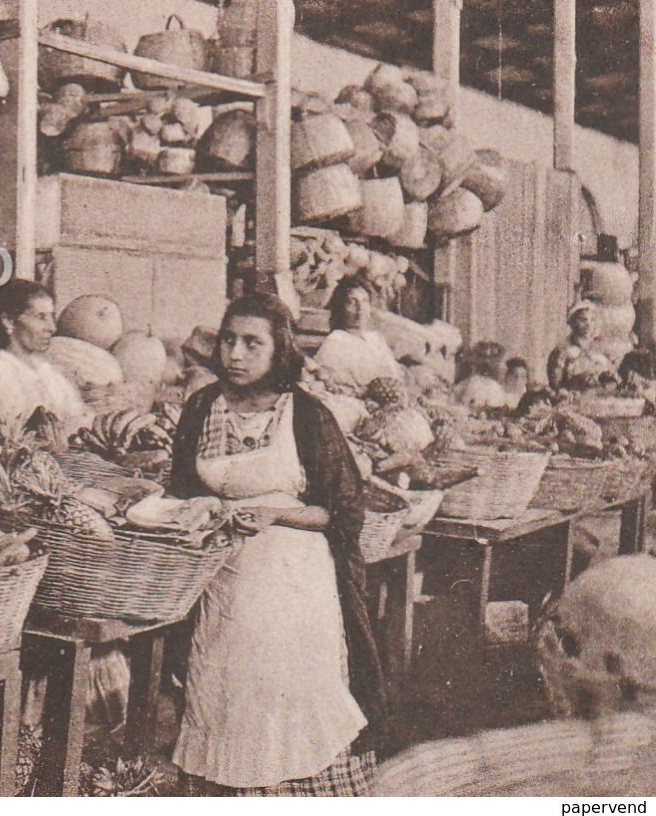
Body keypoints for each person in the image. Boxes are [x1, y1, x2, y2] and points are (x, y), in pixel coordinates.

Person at [168, 292, 386, 796]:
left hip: (292, 581)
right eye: (228, 340)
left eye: (252, 343)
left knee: (284, 697)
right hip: (221, 576)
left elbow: (340, 509)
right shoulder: (202, 407)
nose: (235, 355)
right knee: (220, 691)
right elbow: (179, 488)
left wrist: (277, 513)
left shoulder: (307, 415)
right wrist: (193, 512)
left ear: (279, 349)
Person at [373, 554, 656, 795]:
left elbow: (396, 786)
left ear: (611, 668)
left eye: (562, 637)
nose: (545, 645)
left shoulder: (429, 775)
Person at [0, 279, 91, 430]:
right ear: (9, 321)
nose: (52, 327)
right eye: (40, 317)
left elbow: (82, 421)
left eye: (51, 317)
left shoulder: (48, 373)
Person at [312, 278, 404, 394]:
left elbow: (394, 376)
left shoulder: (375, 338)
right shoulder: (337, 340)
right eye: (352, 302)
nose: (360, 309)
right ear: (341, 308)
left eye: (365, 301)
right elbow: (333, 385)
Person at [547, 301, 618, 392]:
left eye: (592, 319)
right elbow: (556, 386)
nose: (588, 324)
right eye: (583, 320)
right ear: (573, 322)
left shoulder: (601, 350)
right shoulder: (562, 352)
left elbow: (613, 378)